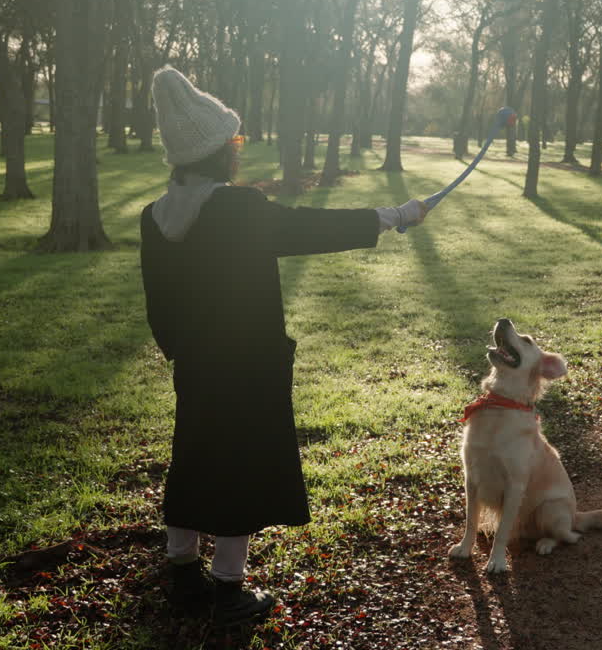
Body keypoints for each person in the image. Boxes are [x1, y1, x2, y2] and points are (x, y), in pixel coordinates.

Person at [138, 66, 426, 622]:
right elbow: (307, 228)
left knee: (193, 453)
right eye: (235, 142)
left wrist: (181, 349)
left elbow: (159, 303)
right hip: (249, 363)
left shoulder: (155, 216)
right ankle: (228, 589)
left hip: (196, 363)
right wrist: (395, 215)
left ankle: (182, 569)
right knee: (243, 463)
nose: (238, 150)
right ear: (218, 152)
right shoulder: (237, 209)